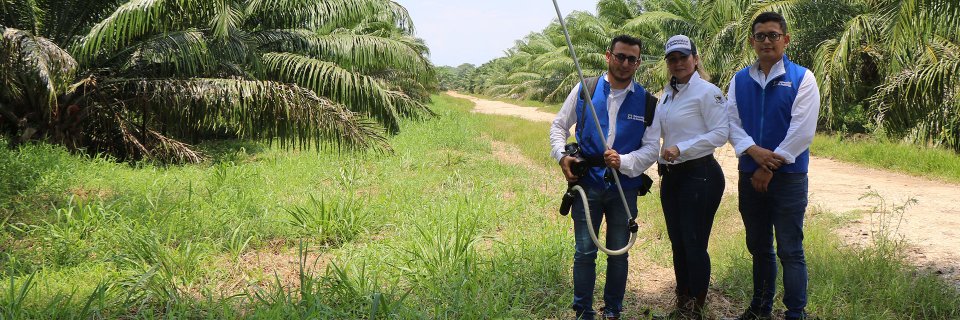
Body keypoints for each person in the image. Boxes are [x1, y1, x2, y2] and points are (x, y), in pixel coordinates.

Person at [549, 34, 660, 320]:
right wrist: (562, 156)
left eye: (632, 59)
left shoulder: (648, 102)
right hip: (587, 185)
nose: (625, 63)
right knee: (585, 252)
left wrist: (624, 161)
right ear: (608, 56)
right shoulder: (585, 88)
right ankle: (583, 311)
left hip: (624, 187)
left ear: (638, 63)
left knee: (618, 252)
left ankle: (613, 311)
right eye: (620, 56)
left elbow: (651, 149)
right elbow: (559, 126)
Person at [727, 12, 821, 320]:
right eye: (760, 36)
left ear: (786, 39)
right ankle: (760, 308)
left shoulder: (803, 78)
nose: (766, 41)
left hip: (789, 177)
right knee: (758, 246)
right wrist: (753, 151)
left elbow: (802, 131)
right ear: (752, 41)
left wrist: (768, 166)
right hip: (749, 174)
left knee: (790, 249)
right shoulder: (739, 80)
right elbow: (731, 122)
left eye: (773, 35)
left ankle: (795, 312)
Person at [655, 34, 728, 319]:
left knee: (694, 243)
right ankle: (682, 298)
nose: (678, 63)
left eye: (683, 57)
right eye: (672, 59)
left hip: (700, 176)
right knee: (678, 241)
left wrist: (681, 148)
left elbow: (721, 133)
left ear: (695, 59)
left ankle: (696, 306)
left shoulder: (708, 92)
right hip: (672, 177)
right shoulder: (667, 94)